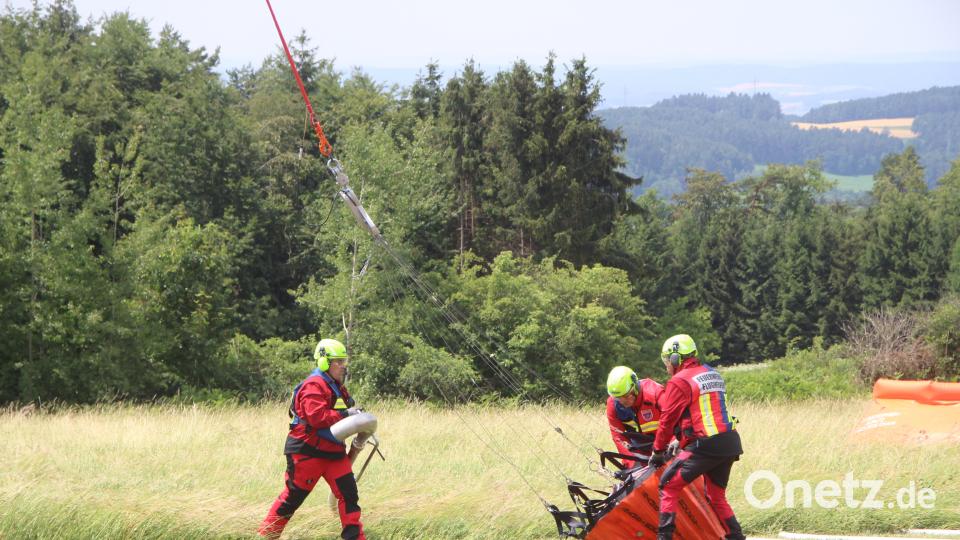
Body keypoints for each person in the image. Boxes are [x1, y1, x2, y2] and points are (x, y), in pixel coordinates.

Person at [259, 338, 366, 540]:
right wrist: (346, 414)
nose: (343, 366)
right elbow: (317, 417)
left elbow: (343, 410)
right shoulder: (313, 385)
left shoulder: (337, 386)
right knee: (293, 497)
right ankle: (267, 536)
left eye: (344, 361)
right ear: (325, 362)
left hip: (333, 452)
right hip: (307, 451)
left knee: (349, 495)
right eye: (339, 361)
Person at [648, 334, 744, 540]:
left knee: (668, 484)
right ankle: (736, 537)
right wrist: (680, 439)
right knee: (716, 496)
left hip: (705, 445)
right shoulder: (712, 373)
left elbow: (666, 420)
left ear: (676, 358)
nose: (667, 365)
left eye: (667, 360)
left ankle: (664, 537)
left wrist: (657, 451)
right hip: (729, 441)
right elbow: (703, 413)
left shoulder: (679, 381)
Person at [605, 366, 664, 468]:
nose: (622, 401)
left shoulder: (655, 393)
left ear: (635, 387)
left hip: (664, 446)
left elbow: (674, 421)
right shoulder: (613, 404)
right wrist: (631, 462)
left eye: (626, 396)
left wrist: (663, 451)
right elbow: (618, 436)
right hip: (639, 451)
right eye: (618, 398)